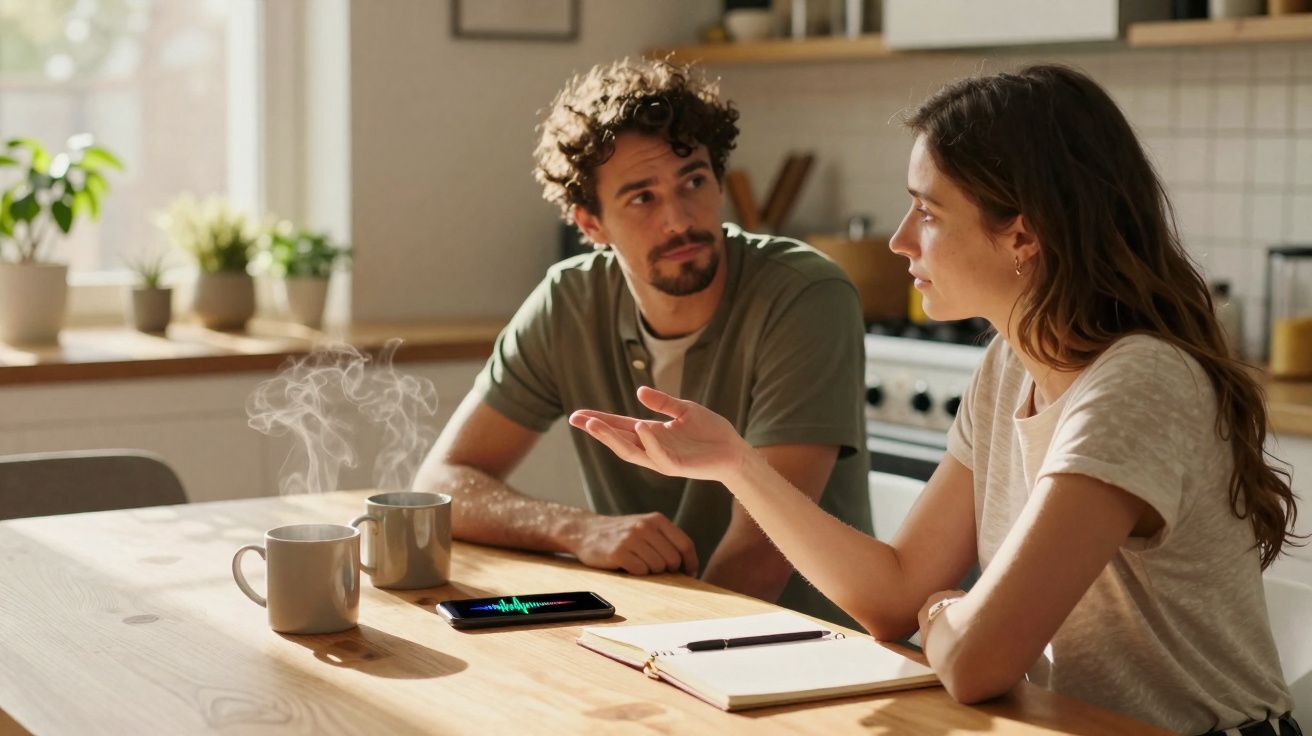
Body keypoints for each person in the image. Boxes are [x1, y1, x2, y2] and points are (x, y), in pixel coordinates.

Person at [570, 64, 1302, 736]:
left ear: (1022, 234)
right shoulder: (1009, 367)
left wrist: (945, 614)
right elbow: (893, 597)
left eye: (927, 211)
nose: (896, 240)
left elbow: (978, 660)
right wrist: (735, 463)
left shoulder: (1138, 383)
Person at [413, 57, 872, 625]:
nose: (679, 220)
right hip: (654, 636)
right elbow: (442, 484)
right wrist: (579, 529)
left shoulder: (805, 294)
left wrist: (660, 655)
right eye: (642, 198)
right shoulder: (569, 302)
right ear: (591, 226)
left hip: (811, 651)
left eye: (694, 182)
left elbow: (760, 553)